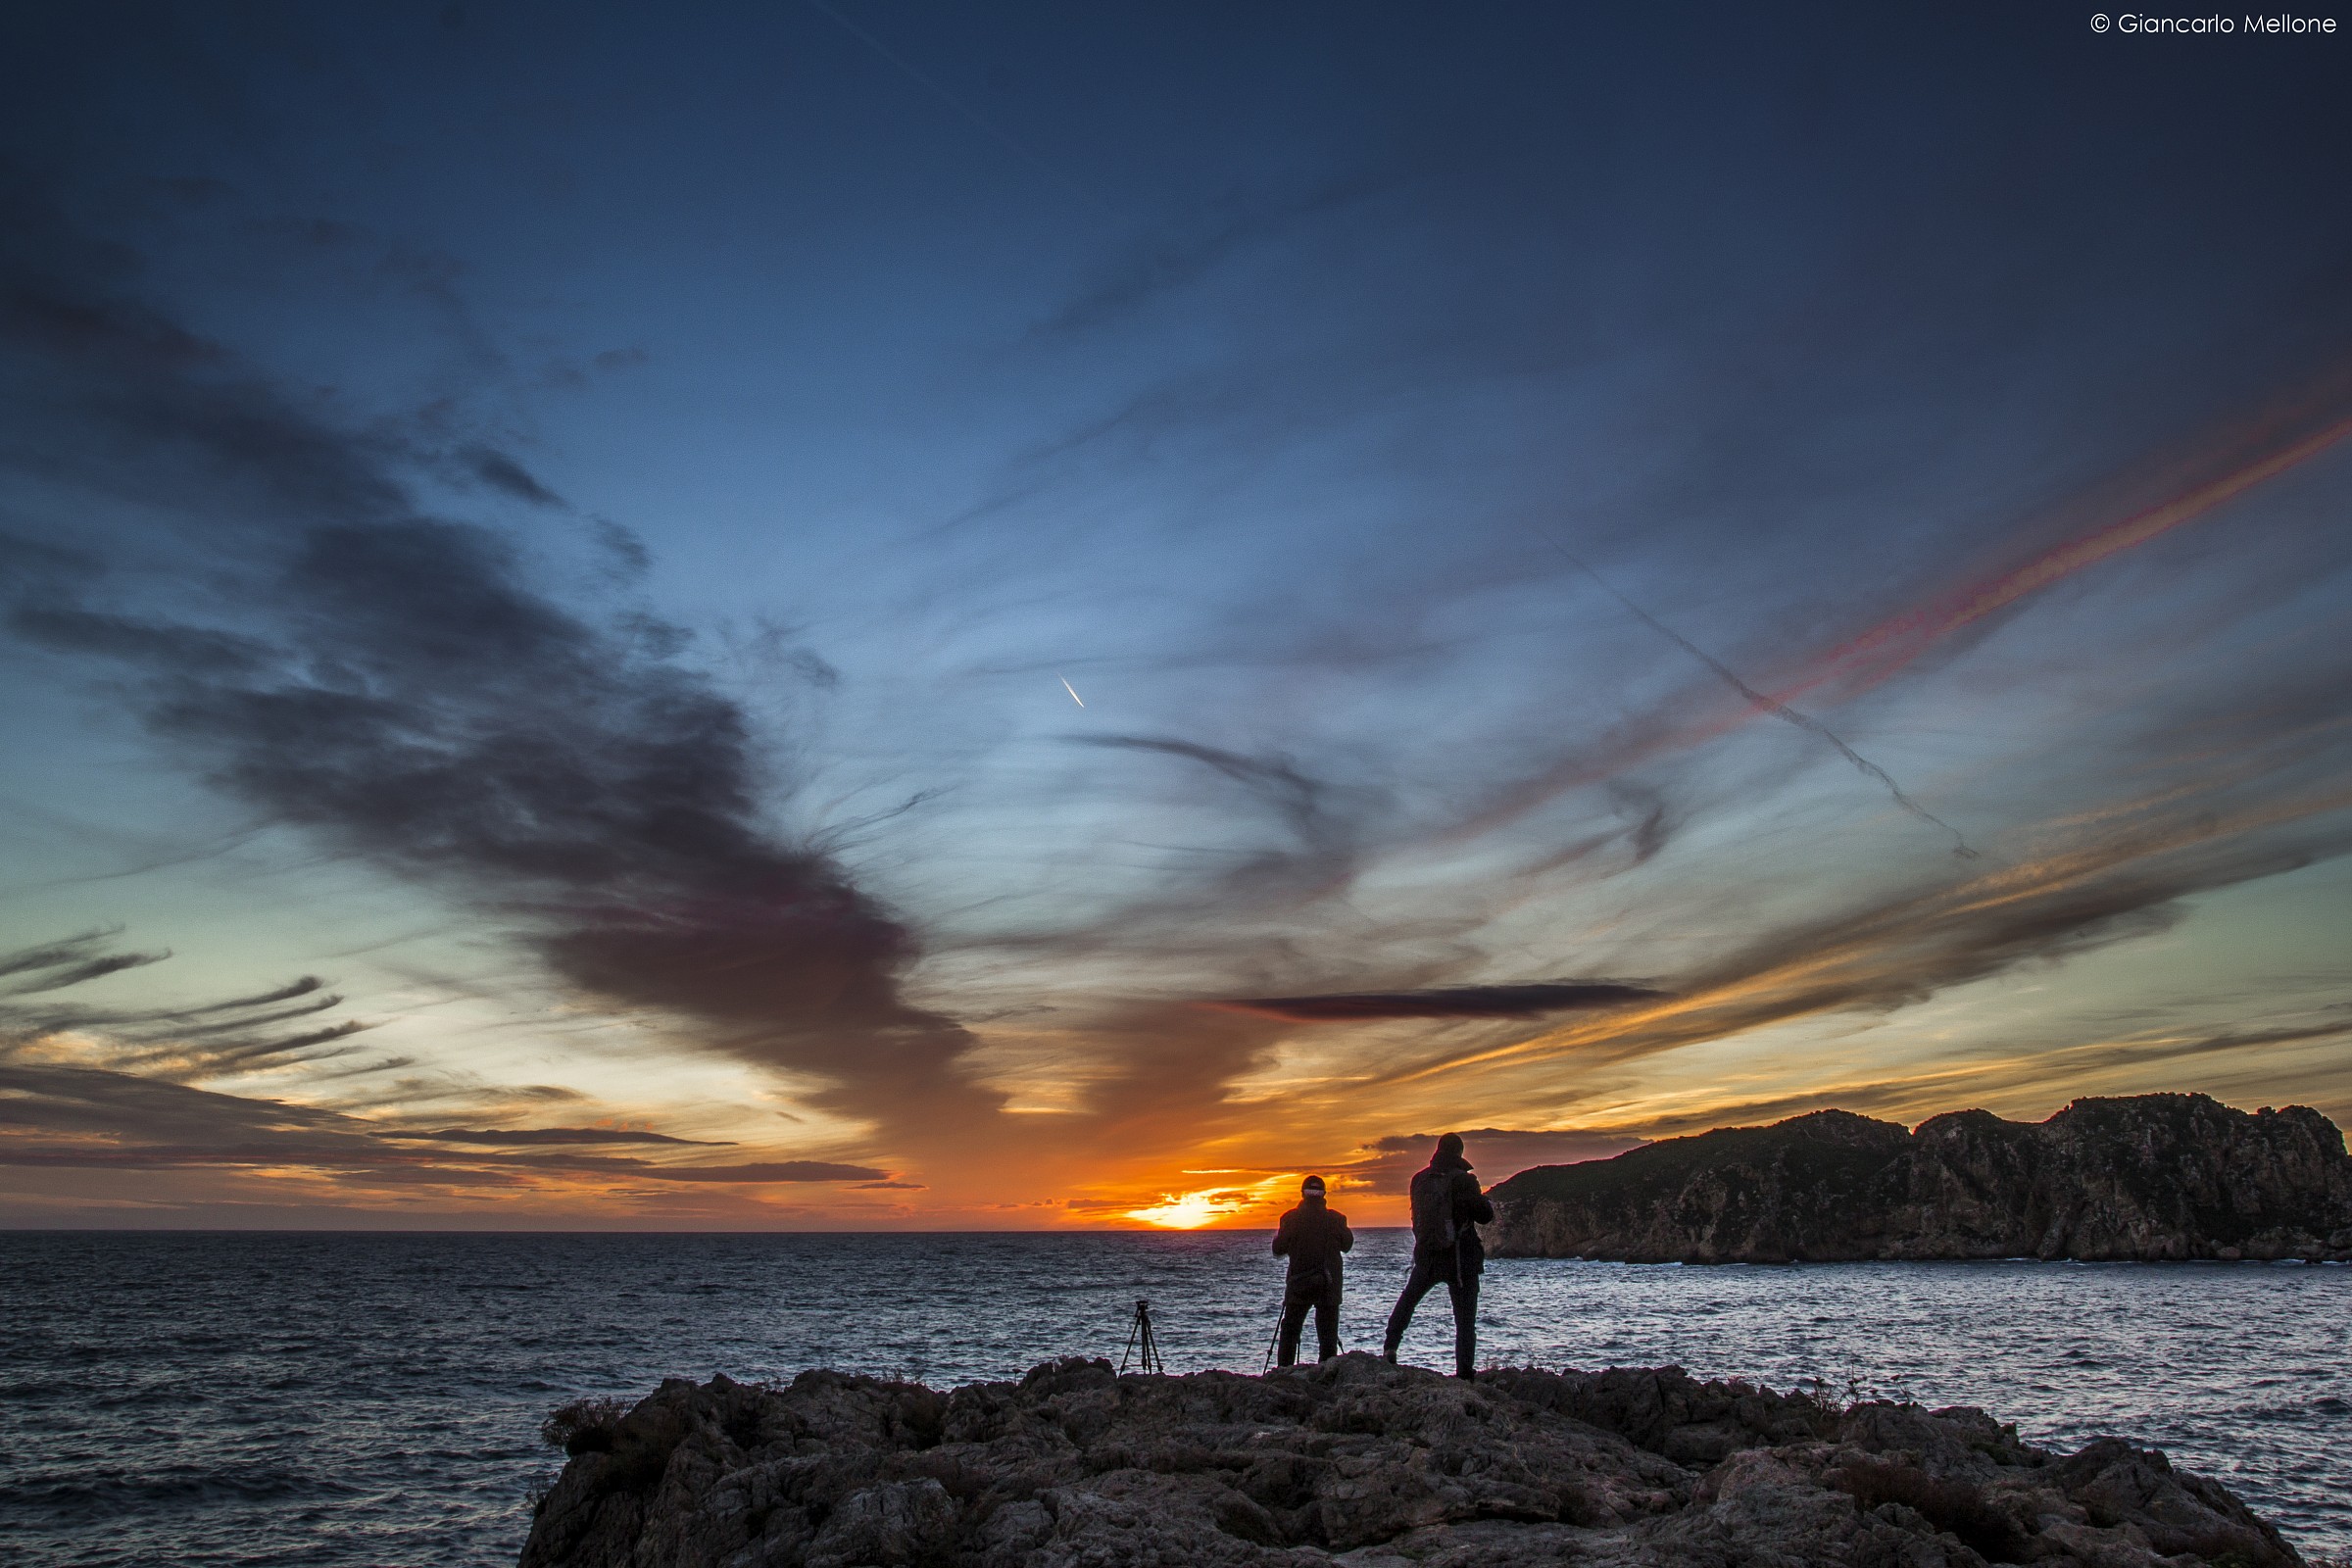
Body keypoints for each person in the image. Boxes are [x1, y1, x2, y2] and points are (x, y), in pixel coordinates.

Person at [1381, 1132, 1494, 1379]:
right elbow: (1484, 1215)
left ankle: (1390, 1346)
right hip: (1460, 1259)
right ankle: (1464, 1373)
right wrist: (1484, 1200)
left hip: (1427, 1254)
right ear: (1459, 1153)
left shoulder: (1419, 1179)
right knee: (1464, 1322)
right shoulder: (1463, 1180)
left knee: (1408, 1301)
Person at [1270, 1174, 1353, 1365]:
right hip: (1328, 1283)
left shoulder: (1291, 1218)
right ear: (1323, 1194)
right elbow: (1347, 1245)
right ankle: (1327, 1376)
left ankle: (1284, 1372)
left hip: (1299, 1283)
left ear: (1303, 1194)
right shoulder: (1336, 1219)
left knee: (1290, 1331)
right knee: (1328, 1336)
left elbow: (1278, 1250)